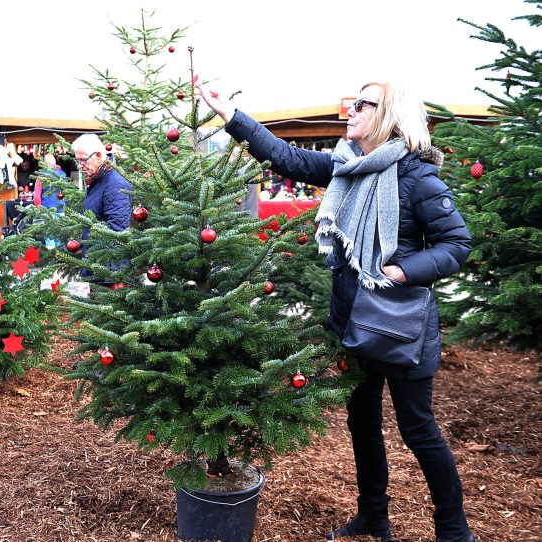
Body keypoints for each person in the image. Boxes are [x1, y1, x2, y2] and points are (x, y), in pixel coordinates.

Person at [197, 80, 475, 542]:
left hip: (402, 326)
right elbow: (288, 159)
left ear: (388, 114)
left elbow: (456, 244)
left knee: (418, 430)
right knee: (362, 424)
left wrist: (405, 270)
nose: (353, 108)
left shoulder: (417, 177)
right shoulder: (348, 166)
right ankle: (373, 516)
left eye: (364, 103)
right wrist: (233, 117)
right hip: (352, 323)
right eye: (355, 100)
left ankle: (454, 531)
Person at [70, 134, 132, 285]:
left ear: (98, 156)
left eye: (83, 160)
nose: (80, 165)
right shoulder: (97, 181)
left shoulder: (115, 184)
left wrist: (109, 276)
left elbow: (118, 232)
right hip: (98, 267)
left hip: (110, 273)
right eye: (77, 160)